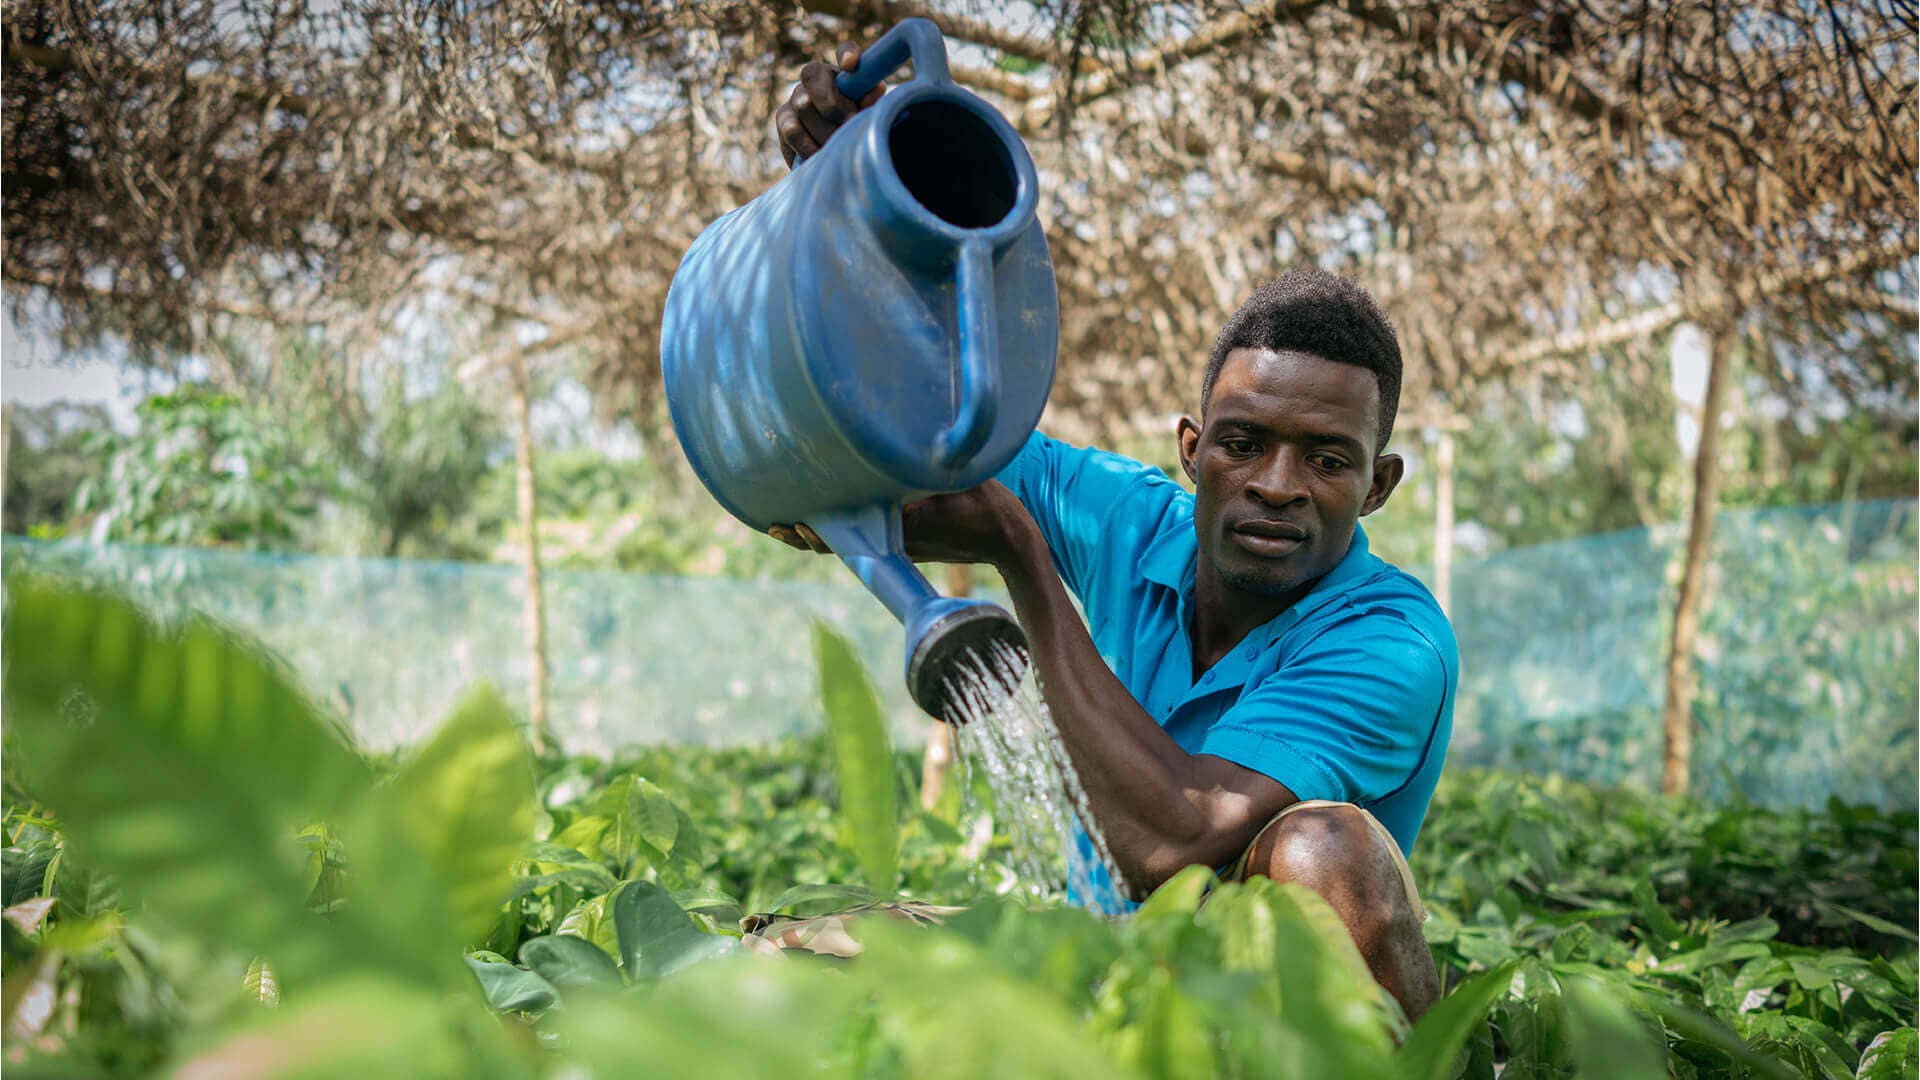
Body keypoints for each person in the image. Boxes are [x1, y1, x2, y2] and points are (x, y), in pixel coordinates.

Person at [767, 43, 1455, 1020]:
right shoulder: (1122, 515)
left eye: (1328, 461)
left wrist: (1024, 559)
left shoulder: (1391, 640)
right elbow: (904, 428)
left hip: (1264, 1008)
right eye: (1244, 443)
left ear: (1378, 485)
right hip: (1100, 960)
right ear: (1191, 448)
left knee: (1320, 850)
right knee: (788, 964)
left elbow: (1171, 841)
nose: (1277, 485)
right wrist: (848, 214)